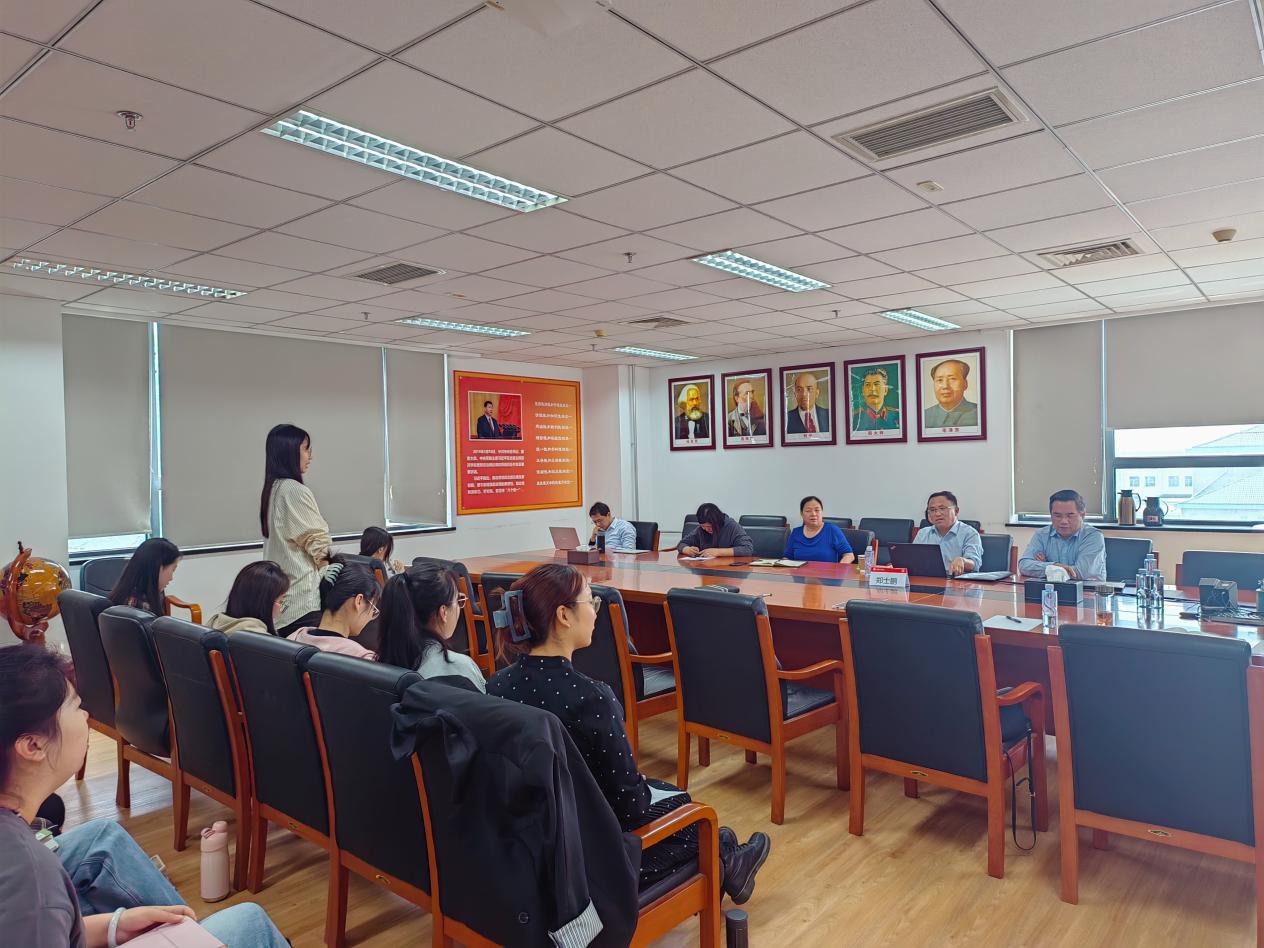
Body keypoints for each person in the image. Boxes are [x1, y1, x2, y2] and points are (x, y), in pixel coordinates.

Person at [486, 565, 771, 902]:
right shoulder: (592, 697)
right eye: (590, 601)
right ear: (564, 616)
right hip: (589, 860)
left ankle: (729, 857)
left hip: (531, 842)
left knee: (675, 801)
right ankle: (727, 856)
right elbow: (631, 807)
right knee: (695, 818)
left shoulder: (497, 686)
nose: (595, 612)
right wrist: (641, 785)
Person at [0, 644, 289, 947]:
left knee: (102, 836)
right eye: (75, 707)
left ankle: (190, 935)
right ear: (32, 746)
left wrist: (114, 926)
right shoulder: (30, 874)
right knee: (249, 922)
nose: (86, 715)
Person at [261, 423, 332, 636]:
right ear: (290, 451)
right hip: (302, 600)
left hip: (281, 598)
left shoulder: (273, 488)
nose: (310, 456)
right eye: (306, 449)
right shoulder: (294, 490)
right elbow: (317, 542)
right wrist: (330, 573)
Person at [377, 563, 486, 692]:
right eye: (458, 601)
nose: (459, 608)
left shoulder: (377, 665)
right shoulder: (461, 669)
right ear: (443, 612)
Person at [286, 558, 380, 659]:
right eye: (373, 609)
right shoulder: (363, 658)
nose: (371, 617)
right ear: (359, 601)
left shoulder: (293, 639)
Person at [1018, 489, 1106, 581]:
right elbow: (1024, 566)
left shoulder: (1093, 536)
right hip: (1050, 588)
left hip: (1086, 589)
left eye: (1070, 515)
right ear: (1051, 515)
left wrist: (1047, 567)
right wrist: (1054, 565)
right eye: (1058, 516)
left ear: (1082, 515)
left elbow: (1082, 572)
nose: (1064, 521)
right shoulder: (1041, 535)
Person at [206, 561, 290, 636]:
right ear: (264, 603)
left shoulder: (215, 623)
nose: (281, 608)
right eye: (281, 601)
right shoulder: (258, 638)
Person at [913, 490, 983, 577]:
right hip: (928, 580)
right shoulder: (923, 533)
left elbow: (975, 564)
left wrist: (963, 561)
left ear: (956, 511)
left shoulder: (970, 533)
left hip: (957, 582)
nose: (937, 514)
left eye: (942, 508)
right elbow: (913, 560)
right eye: (932, 510)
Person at [106, 538, 181, 614]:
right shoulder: (143, 611)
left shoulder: (124, 597)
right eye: (173, 569)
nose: (171, 578)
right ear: (159, 568)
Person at [784, 496, 854, 563]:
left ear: (822, 512)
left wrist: (839, 569)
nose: (813, 514)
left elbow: (849, 555)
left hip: (827, 571)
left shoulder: (832, 530)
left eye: (817, 510)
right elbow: (787, 557)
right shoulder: (796, 532)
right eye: (808, 511)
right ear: (801, 514)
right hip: (800, 571)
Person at [677, 503, 754, 558]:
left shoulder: (732, 526)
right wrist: (687, 549)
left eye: (709, 526)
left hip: (728, 569)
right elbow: (682, 543)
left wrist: (718, 552)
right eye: (703, 526)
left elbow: (747, 549)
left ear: (717, 521)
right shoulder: (701, 530)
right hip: (706, 569)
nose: (706, 529)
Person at [923, 359, 978, 428]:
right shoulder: (925, 415)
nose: (945, 386)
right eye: (940, 380)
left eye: (952, 379)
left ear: (965, 384)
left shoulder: (978, 412)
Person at [852, 366, 900, 431]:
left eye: (877, 384)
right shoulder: (853, 418)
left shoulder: (898, 415)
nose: (872, 389)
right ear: (863, 390)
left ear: (885, 390)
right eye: (868, 385)